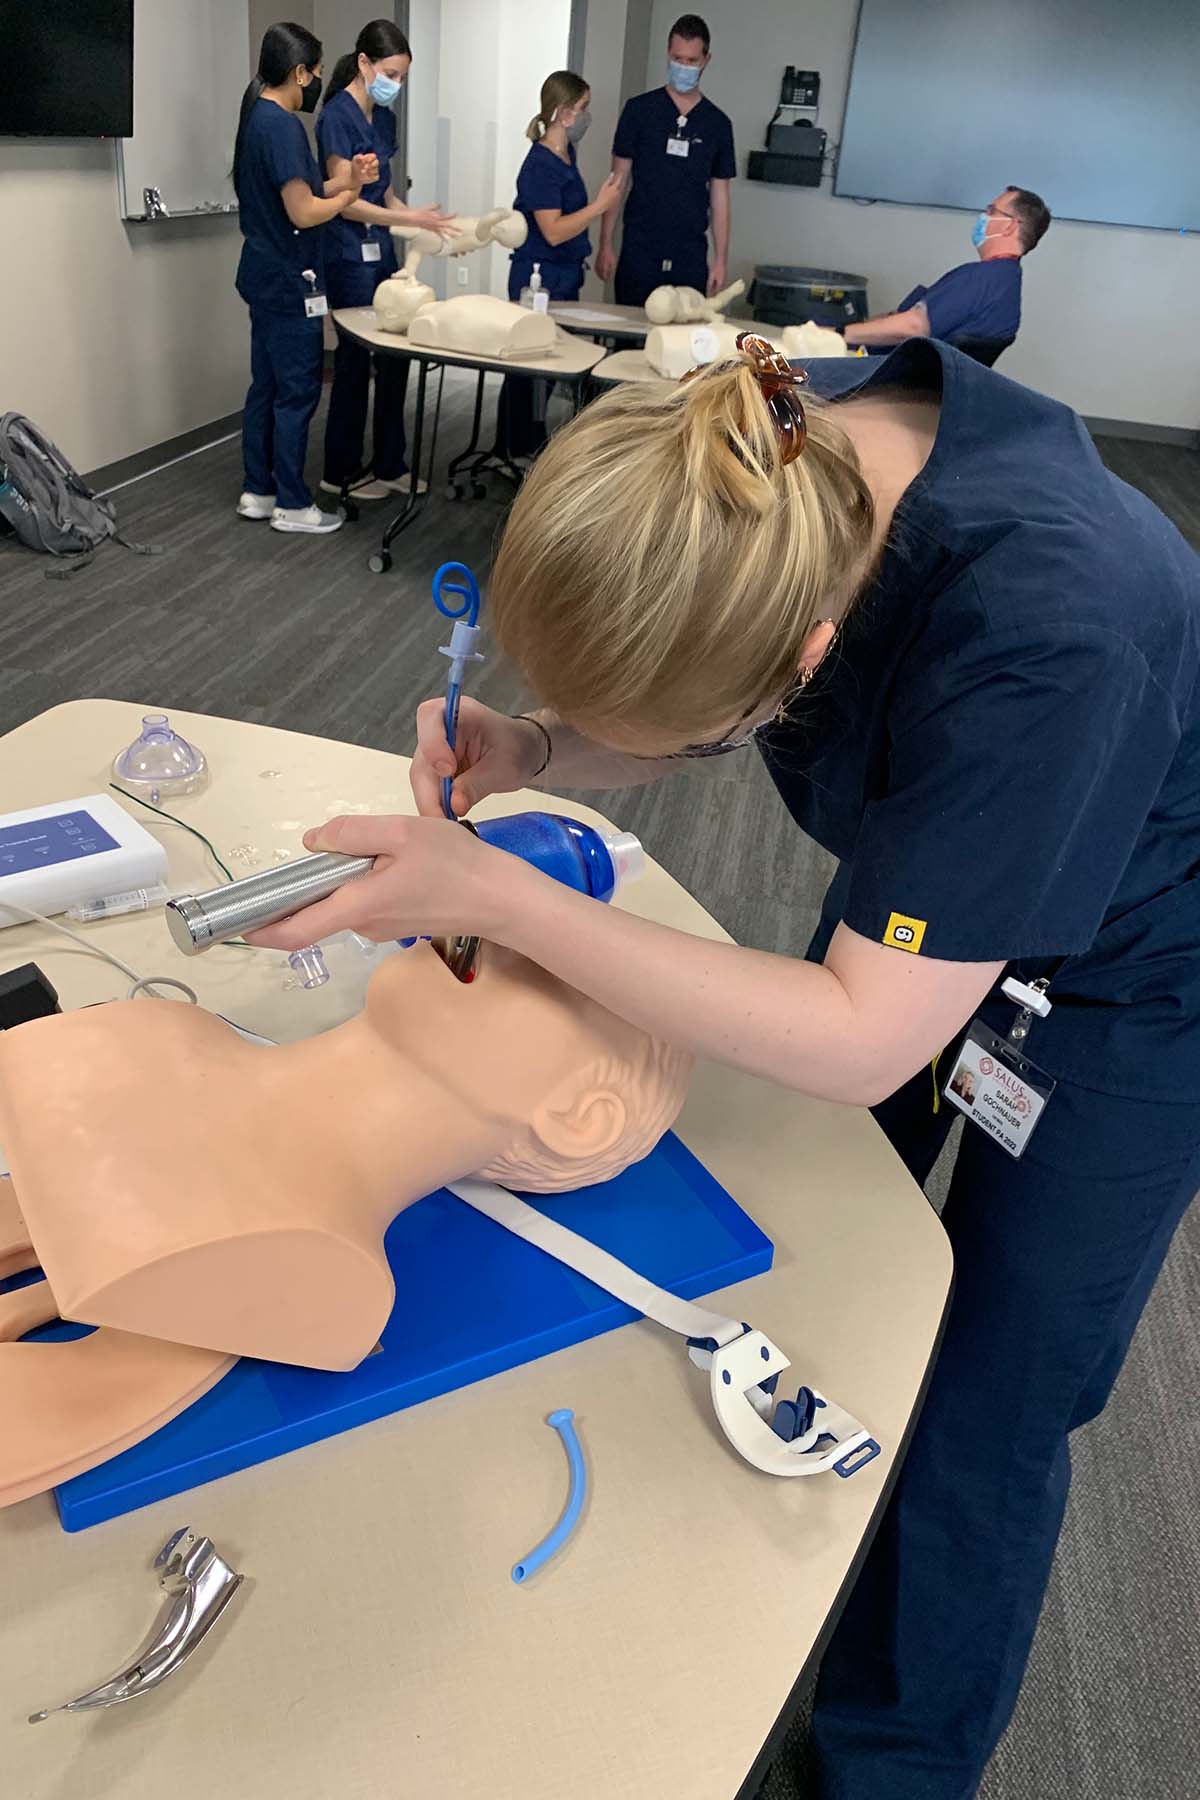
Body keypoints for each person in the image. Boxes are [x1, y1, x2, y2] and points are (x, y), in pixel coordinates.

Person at [250, 332, 1200, 1800]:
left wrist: (508, 902)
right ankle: (779, 1552)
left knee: (992, 1397)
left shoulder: (1056, 630)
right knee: (819, 1236)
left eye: (703, 730)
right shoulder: (749, 449)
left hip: (1141, 973)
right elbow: (704, 703)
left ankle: (888, 1770)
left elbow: (864, 1029)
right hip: (937, 855)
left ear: (809, 664)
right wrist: (538, 747)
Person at [233, 21, 373, 535]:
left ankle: (259, 489)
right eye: (314, 72)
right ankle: (292, 501)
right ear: (299, 72)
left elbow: (301, 187)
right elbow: (303, 210)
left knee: (266, 386)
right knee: (296, 391)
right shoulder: (283, 126)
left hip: (265, 275)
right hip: (291, 280)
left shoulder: (259, 120)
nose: (317, 81)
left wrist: (347, 179)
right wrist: (346, 199)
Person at [316, 19, 457, 503]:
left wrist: (418, 220)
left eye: (402, 78)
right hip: (347, 253)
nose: (395, 85)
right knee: (355, 361)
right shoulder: (337, 116)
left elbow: (385, 193)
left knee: (396, 357)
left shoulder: (385, 119)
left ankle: (390, 463)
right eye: (391, 74)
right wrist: (411, 216)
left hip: (382, 253)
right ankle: (341, 471)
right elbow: (347, 200)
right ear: (364, 63)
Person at [498, 70, 622, 460]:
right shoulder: (539, 165)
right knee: (529, 369)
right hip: (539, 278)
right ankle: (513, 449)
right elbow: (552, 230)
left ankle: (529, 444)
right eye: (584, 108)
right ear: (564, 112)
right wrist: (599, 207)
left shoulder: (567, 154)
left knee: (547, 369)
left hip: (564, 275)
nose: (588, 116)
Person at [595, 13, 735, 307]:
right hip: (640, 246)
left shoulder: (717, 124)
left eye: (691, 61)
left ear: (706, 60)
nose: (683, 67)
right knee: (630, 336)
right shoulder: (639, 111)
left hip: (689, 251)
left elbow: (720, 196)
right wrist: (605, 243)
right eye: (677, 59)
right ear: (668, 55)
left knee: (682, 344)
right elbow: (616, 183)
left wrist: (720, 260)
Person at [845, 186, 1051, 355]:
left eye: (991, 211)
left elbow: (914, 326)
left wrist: (838, 332)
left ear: (1010, 227)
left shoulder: (979, 278)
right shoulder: (1007, 280)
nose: (983, 217)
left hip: (882, 372)